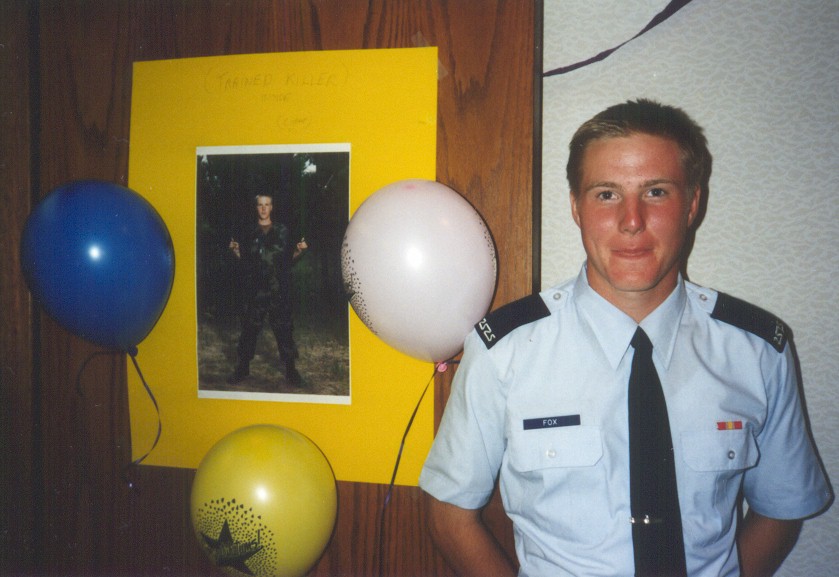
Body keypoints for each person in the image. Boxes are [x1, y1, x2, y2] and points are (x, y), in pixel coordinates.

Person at [419, 99, 832, 577]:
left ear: (692, 204)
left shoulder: (757, 350)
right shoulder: (506, 351)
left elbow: (782, 507)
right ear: (575, 207)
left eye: (656, 192)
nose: (632, 220)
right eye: (606, 194)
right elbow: (450, 513)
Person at [228, 193, 308, 386]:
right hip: (255, 290)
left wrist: (300, 251)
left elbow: (288, 261)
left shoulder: (283, 231)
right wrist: (235, 252)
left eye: (267, 204)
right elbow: (245, 262)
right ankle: (242, 368)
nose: (263, 208)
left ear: (272, 207)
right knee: (249, 328)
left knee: (284, 329)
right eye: (260, 205)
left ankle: (291, 371)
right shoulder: (248, 232)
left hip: (278, 288)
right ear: (256, 207)